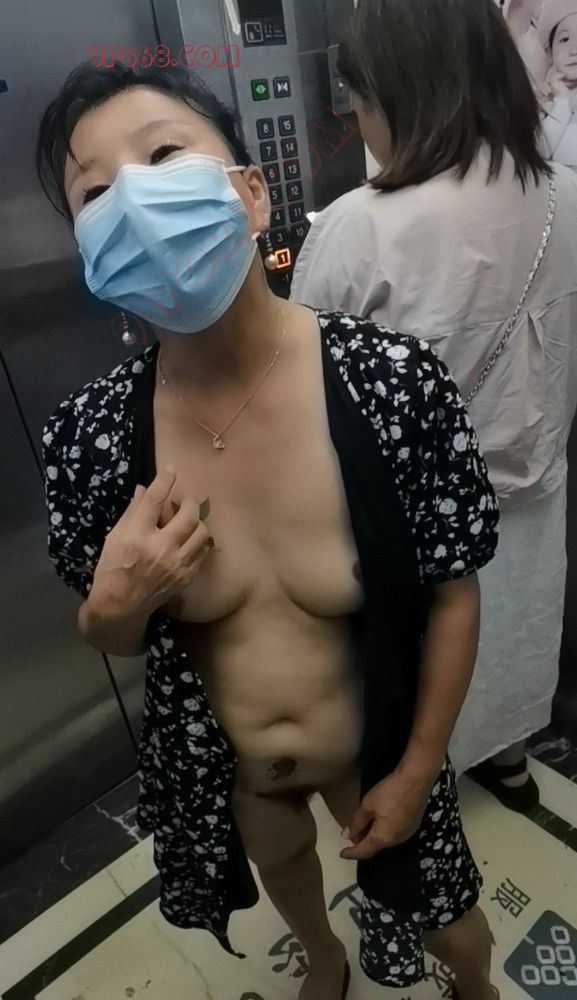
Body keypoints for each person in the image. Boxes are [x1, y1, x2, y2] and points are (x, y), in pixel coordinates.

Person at [37, 61, 499, 999]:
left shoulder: (389, 383)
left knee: (453, 926)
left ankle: (477, 986)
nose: (133, 201)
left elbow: (453, 594)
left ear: (250, 193)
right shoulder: (89, 438)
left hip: (374, 751)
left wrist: (415, 772)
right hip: (234, 771)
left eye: (162, 155)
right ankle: (323, 960)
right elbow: (113, 634)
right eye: (93, 191)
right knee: (285, 871)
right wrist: (115, 604)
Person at [291, 0, 577, 813]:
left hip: (412, 518)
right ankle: (508, 756)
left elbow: (307, 385)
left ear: (398, 93)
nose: (357, 117)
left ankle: (418, 779)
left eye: (359, 98)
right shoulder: (565, 195)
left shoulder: (358, 227)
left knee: (419, 646)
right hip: (534, 485)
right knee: (516, 626)